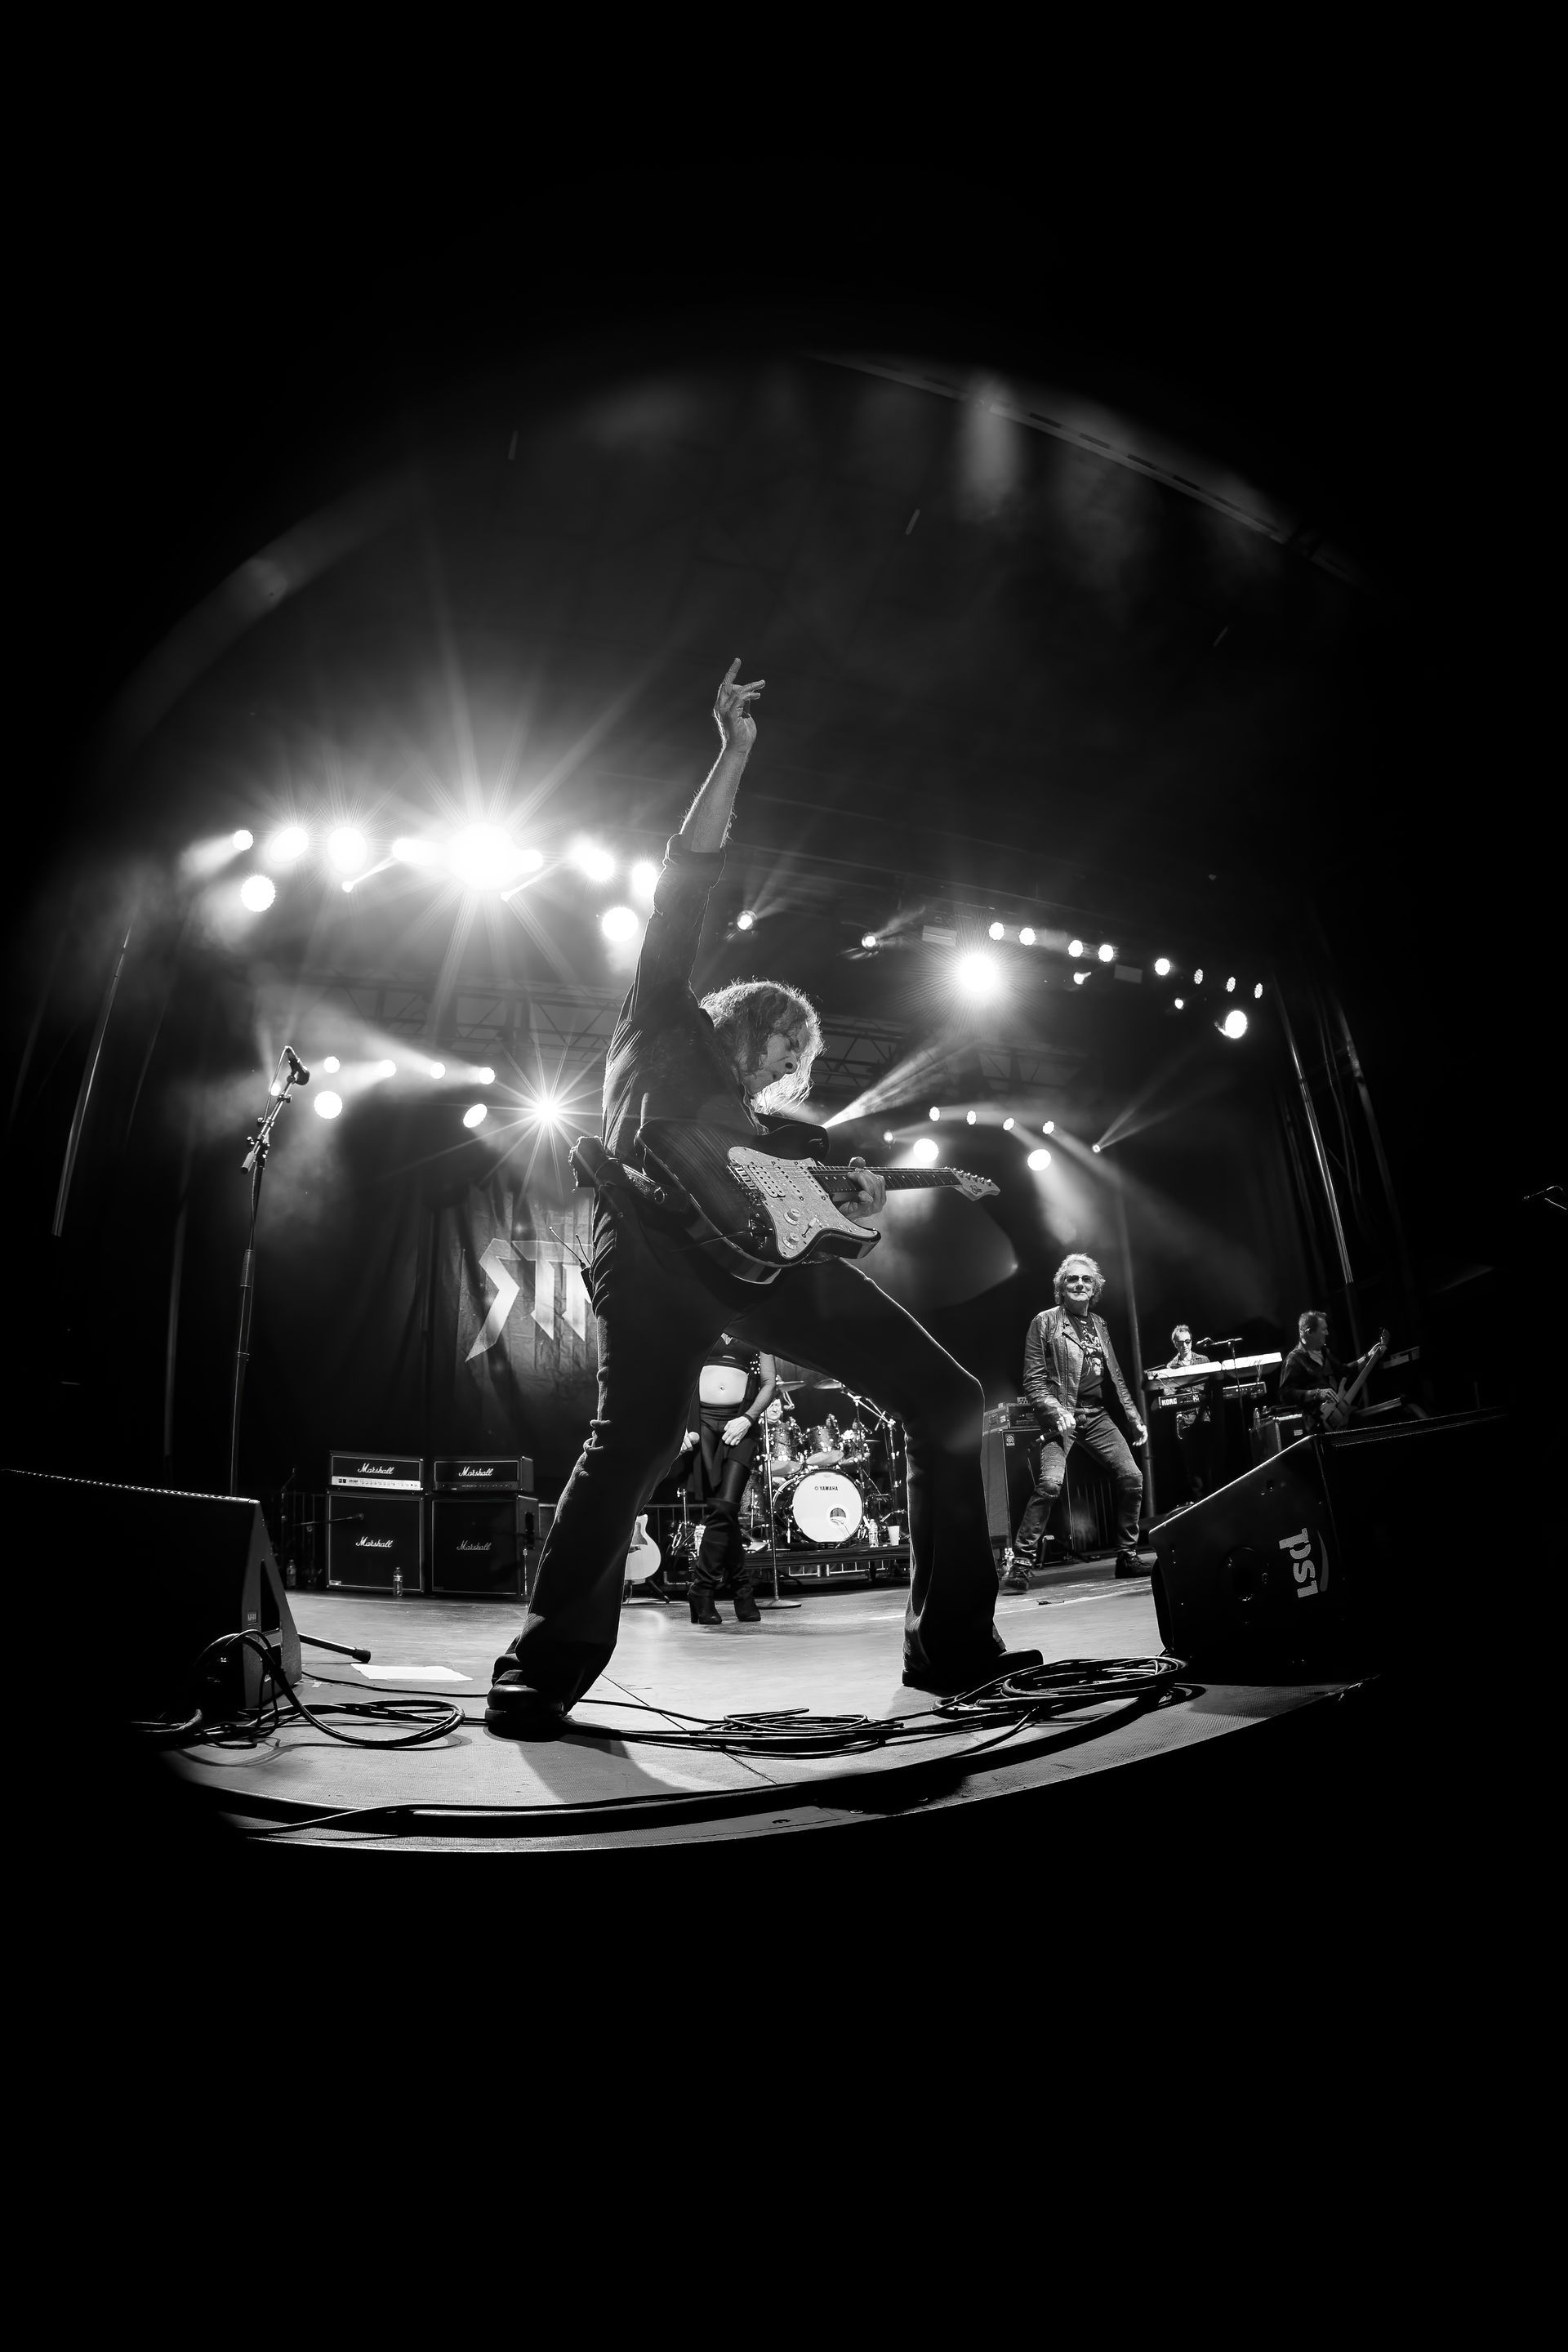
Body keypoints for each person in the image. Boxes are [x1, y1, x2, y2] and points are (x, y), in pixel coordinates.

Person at [486, 660, 1040, 1733]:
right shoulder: (661, 1017)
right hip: (649, 1231)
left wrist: (860, 1204)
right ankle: (543, 1667)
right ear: (734, 1015)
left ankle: (955, 1649)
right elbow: (681, 879)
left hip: (759, 1265)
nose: (782, 1058)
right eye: (775, 1033)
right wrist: (733, 755)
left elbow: (832, 1216)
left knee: (948, 1399)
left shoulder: (784, 1133)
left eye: (796, 1052)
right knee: (638, 1435)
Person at [1010, 1254, 1150, 1581]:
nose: (1079, 1284)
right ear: (1061, 1286)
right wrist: (1055, 1411)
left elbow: (1114, 1374)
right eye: (1073, 1279)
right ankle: (1020, 1565)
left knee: (1132, 1479)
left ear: (1095, 1288)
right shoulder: (1044, 1322)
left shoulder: (1100, 1324)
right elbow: (1033, 1380)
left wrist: (1132, 1416)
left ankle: (1127, 1556)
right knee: (1049, 1484)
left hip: (1097, 1417)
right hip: (1062, 1415)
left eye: (1086, 1280)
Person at [683, 1334, 777, 1625]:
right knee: (725, 1514)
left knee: (724, 1507)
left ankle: (701, 1589)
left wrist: (749, 1418)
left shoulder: (757, 1327)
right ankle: (742, 1592)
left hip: (741, 1423)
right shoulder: (702, 1321)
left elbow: (769, 1383)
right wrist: (679, 1430)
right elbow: (677, 1376)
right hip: (702, 1425)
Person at [1280, 1309, 1380, 1428]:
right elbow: (1285, 1394)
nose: (1327, 1333)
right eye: (1323, 1329)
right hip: (1317, 1425)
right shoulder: (1294, 1360)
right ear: (1309, 1332)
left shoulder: (1325, 1352)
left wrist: (1368, 1357)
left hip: (1338, 1417)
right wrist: (1317, 1394)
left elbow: (1344, 1371)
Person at [1164, 1323, 1218, 1501]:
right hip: (1186, 1421)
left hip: (1205, 1417)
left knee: (1210, 1463)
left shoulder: (1203, 1360)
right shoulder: (1171, 1366)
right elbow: (1168, 1394)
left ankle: (1215, 1499)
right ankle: (1200, 1504)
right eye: (1181, 1343)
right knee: (1193, 1468)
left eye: (1188, 1341)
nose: (1185, 1345)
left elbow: (1214, 1386)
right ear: (1175, 1344)